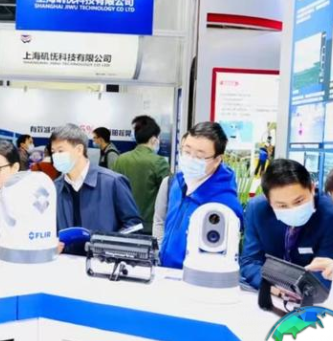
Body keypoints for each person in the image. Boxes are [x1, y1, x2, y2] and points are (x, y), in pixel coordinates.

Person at [240, 159, 333, 289]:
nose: (292, 209)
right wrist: (269, 286)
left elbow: (326, 270)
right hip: (270, 289)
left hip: (311, 292)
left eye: (299, 201)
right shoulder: (257, 209)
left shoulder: (332, 215)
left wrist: (297, 290)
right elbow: (250, 260)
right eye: (282, 206)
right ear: (268, 200)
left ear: (312, 188)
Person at [160, 122, 243, 269]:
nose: (190, 159)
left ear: (217, 160)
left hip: (197, 277)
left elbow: (223, 260)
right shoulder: (178, 183)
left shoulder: (224, 205)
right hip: (166, 272)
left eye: (199, 156)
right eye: (187, 151)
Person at [52, 124, 142, 253]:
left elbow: (134, 225)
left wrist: (109, 246)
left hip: (103, 262)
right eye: (53, 152)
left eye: (60, 151)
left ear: (79, 150)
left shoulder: (112, 182)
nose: (56, 156)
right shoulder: (55, 188)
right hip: (66, 261)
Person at [113, 115, 170, 234]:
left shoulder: (120, 159)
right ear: (154, 139)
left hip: (124, 225)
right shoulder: (158, 162)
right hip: (148, 227)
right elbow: (169, 194)